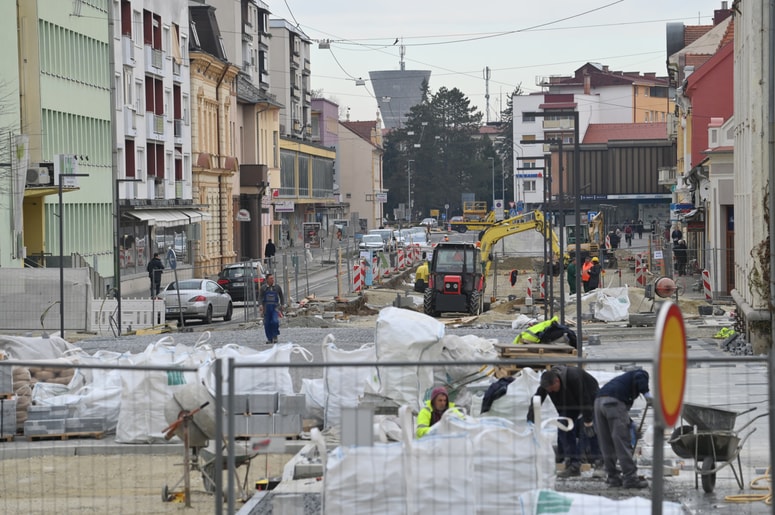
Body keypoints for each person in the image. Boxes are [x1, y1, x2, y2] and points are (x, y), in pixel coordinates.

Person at [527, 366, 601, 477]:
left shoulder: (574, 377)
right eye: (548, 390)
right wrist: (530, 421)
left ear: (557, 381)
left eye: (552, 389)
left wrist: (588, 422)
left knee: (590, 430)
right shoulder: (547, 383)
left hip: (590, 397)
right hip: (570, 402)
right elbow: (537, 399)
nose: (550, 392)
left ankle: (599, 463)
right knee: (563, 425)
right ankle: (573, 465)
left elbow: (585, 399)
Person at [594, 369, 652, 489]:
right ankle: (631, 478)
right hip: (613, 402)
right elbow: (640, 375)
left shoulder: (620, 383)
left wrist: (631, 424)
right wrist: (647, 394)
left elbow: (620, 413)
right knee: (621, 441)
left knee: (606, 443)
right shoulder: (639, 374)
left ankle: (613, 477)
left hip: (598, 403)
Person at [259, 273, 284, 344]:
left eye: (273, 278)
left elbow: (281, 296)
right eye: (271, 278)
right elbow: (260, 297)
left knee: (275, 321)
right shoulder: (263, 288)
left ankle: (275, 335)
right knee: (267, 323)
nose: (272, 280)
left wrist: (282, 304)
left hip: (275, 307)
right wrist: (260, 305)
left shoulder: (277, 287)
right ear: (267, 280)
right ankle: (269, 338)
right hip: (266, 308)